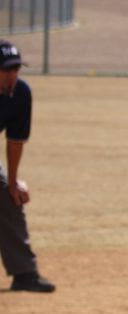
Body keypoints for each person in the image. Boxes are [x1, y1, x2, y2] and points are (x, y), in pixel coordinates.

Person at [0, 40, 53, 293]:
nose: (12, 74)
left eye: (15, 68)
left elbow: (15, 141)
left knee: (11, 198)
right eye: (5, 69)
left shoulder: (20, 93)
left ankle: (24, 273)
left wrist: (12, 182)